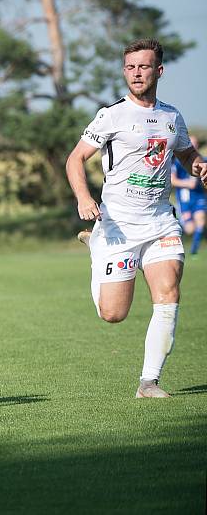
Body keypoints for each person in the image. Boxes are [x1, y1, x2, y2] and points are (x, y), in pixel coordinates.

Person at [65, 38, 207, 398]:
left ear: (159, 71)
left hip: (161, 221)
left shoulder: (172, 116)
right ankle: (96, 243)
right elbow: (75, 159)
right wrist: (84, 197)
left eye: (144, 66)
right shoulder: (111, 115)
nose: (136, 73)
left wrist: (198, 165)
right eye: (130, 67)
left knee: (168, 293)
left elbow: (185, 152)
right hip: (119, 227)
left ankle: (149, 382)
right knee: (113, 314)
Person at [171, 135, 206, 255]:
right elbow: (173, 180)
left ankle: (194, 250)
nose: (194, 146)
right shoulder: (178, 162)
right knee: (189, 229)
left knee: (200, 221)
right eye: (192, 143)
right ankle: (176, 240)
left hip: (199, 198)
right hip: (185, 200)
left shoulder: (204, 160)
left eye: (196, 144)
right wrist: (187, 183)